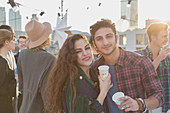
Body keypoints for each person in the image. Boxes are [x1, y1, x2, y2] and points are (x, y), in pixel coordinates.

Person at [89, 19, 164, 113]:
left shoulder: (140, 62)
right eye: (99, 39)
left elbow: (159, 96)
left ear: (116, 38)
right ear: (94, 44)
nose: (105, 42)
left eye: (109, 36)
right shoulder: (94, 68)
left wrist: (139, 104)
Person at [45, 34, 112, 113]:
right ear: (71, 56)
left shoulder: (93, 73)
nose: (85, 53)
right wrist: (103, 92)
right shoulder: (73, 81)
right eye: (78, 51)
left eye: (87, 48)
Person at [17, 20, 56, 113]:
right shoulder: (50, 59)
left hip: (24, 108)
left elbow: (21, 86)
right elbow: (48, 92)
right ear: (47, 38)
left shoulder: (22, 54)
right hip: (40, 108)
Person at [136, 23, 170, 113]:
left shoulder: (168, 57)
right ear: (153, 37)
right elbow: (140, 78)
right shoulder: (138, 56)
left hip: (165, 106)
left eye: (168, 36)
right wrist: (159, 58)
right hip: (146, 105)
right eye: (164, 36)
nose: (167, 39)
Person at [0, 29, 17, 113]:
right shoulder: (1, 63)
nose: (15, 42)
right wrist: (15, 80)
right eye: (13, 40)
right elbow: (4, 90)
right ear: (6, 42)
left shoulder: (4, 61)